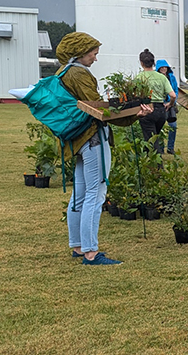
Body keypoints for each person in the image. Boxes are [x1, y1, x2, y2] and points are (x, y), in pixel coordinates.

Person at [56, 32, 151, 265]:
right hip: (92, 139)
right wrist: (132, 114)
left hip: (76, 139)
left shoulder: (63, 72)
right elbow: (97, 110)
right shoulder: (78, 73)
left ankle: (78, 247)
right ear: (80, 51)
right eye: (93, 53)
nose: (95, 59)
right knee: (95, 194)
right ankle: (90, 252)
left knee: (79, 194)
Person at [134, 48, 172, 153]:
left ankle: (157, 166)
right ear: (153, 62)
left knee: (151, 141)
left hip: (147, 109)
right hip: (161, 110)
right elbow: (172, 95)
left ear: (141, 63)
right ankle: (149, 162)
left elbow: (134, 95)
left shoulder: (139, 77)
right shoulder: (161, 77)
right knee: (153, 137)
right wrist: (170, 104)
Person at [156, 58, 180, 154]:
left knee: (173, 126)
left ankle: (170, 147)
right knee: (160, 128)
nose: (163, 69)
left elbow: (175, 90)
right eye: (161, 67)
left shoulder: (171, 77)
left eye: (165, 67)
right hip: (160, 105)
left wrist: (170, 103)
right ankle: (161, 148)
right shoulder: (156, 78)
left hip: (170, 105)